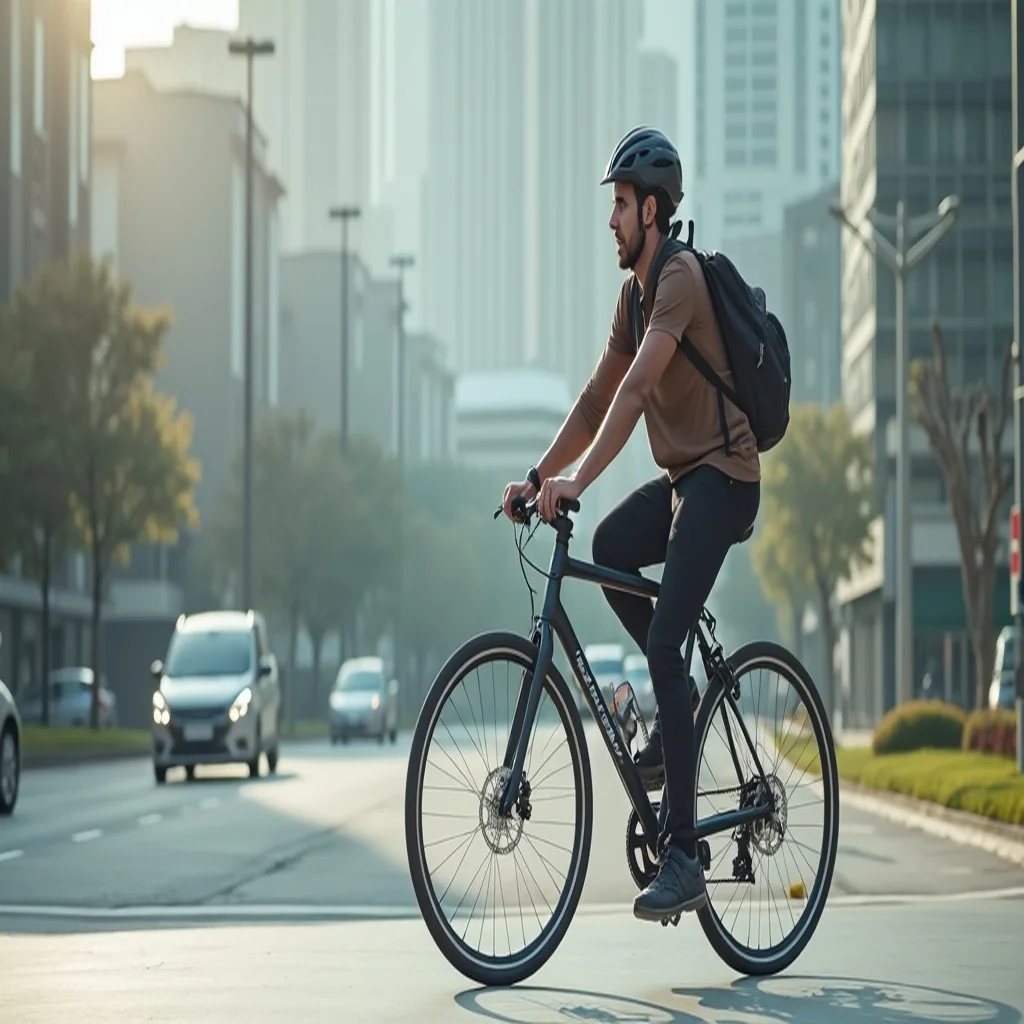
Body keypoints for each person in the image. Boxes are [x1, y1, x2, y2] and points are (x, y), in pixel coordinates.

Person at [501, 126, 761, 922]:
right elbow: (594, 398)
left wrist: (580, 478)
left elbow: (641, 387)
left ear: (652, 210)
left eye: (619, 205)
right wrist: (542, 475)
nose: (609, 220)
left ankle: (684, 856)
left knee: (660, 644)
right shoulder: (632, 296)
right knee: (611, 546)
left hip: (725, 477)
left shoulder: (677, 277)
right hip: (685, 480)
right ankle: (674, 708)